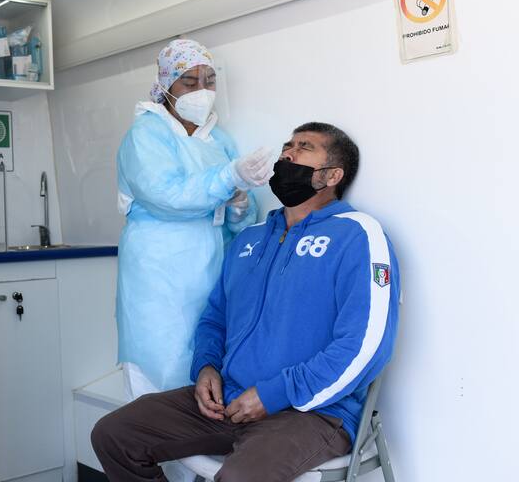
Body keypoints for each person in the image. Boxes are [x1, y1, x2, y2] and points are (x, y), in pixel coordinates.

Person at [94, 122, 400, 482]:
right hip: (229, 401)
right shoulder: (249, 239)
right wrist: (207, 367)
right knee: (114, 435)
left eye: (304, 147)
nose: (288, 153)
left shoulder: (358, 234)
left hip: (311, 412)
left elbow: (366, 344)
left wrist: (273, 395)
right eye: (287, 145)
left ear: (332, 175)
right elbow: (215, 318)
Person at [116, 39, 274, 400]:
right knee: (157, 364)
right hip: (158, 272)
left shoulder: (218, 140)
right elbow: (165, 196)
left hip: (209, 264)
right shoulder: (146, 134)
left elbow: (240, 220)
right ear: (166, 86)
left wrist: (238, 207)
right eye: (189, 82)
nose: (202, 91)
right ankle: (144, 447)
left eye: (209, 80)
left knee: (203, 356)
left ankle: (190, 449)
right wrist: (228, 179)